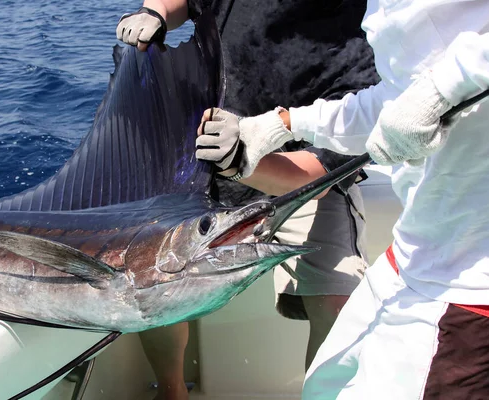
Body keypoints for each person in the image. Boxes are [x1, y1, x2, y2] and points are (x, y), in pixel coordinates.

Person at [196, 1, 489, 398]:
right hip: (414, 254)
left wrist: (441, 89)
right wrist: (282, 125)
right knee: (327, 386)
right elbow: (392, 101)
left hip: (474, 288)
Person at [116, 1, 378, 399]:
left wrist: (244, 161)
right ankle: (171, 391)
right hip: (204, 162)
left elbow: (320, 171)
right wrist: (155, 13)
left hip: (297, 179)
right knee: (152, 274)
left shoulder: (362, 44)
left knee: (340, 295)